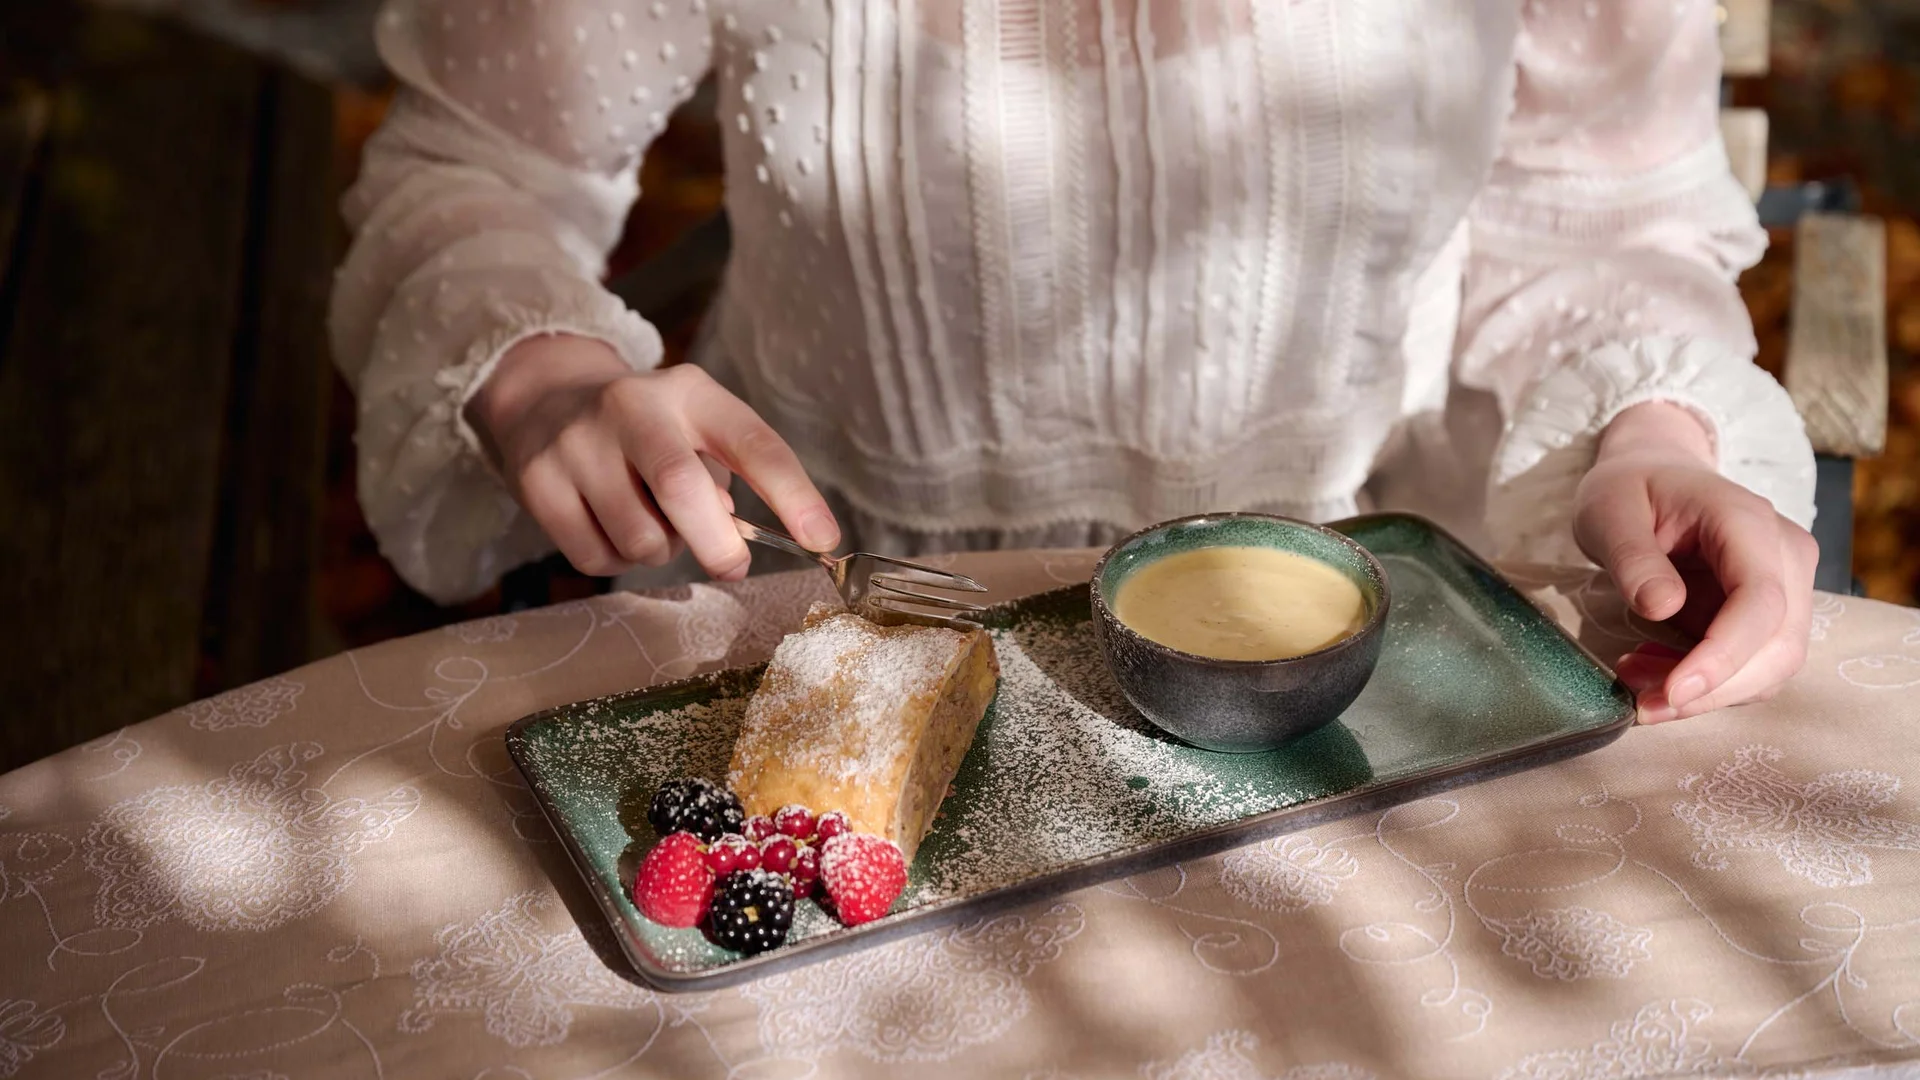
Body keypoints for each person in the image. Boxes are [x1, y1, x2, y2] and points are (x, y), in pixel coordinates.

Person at [330, 0, 1819, 725]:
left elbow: (1598, 213)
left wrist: (1653, 434)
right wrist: (546, 378)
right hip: (817, 629)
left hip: (1377, 656)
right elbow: (478, 168)